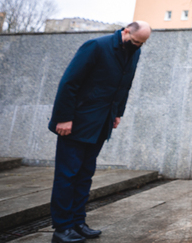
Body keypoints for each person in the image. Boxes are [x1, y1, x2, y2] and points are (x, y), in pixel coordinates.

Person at [47, 21, 151, 243]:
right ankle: (62, 228)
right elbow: (69, 83)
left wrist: (117, 113)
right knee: (67, 175)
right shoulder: (95, 46)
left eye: (142, 44)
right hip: (75, 123)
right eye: (135, 41)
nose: (137, 46)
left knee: (85, 175)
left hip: (100, 123)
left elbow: (125, 85)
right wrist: (63, 118)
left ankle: (77, 222)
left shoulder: (134, 51)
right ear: (125, 31)